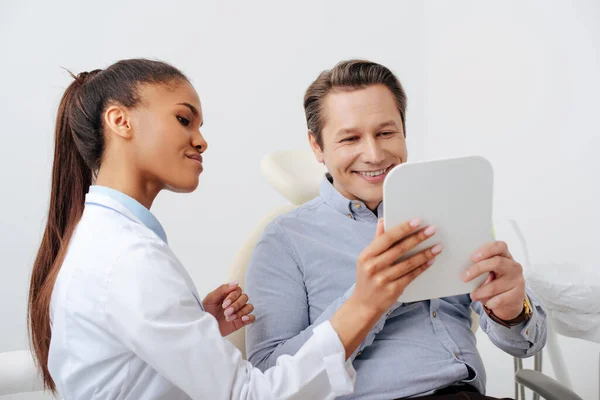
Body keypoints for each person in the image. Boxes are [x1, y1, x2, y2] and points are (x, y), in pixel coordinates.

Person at [27, 58, 442, 399]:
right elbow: (248, 396)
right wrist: (366, 305)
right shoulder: (128, 257)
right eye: (184, 120)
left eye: (386, 132)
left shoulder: (110, 241)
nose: (201, 140)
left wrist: (197, 328)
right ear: (120, 121)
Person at [245, 59, 547, 400]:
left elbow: (527, 343)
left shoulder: (448, 206)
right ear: (317, 146)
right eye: (350, 138)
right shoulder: (284, 240)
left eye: (386, 133)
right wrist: (367, 302)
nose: (374, 155)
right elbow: (268, 377)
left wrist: (511, 312)